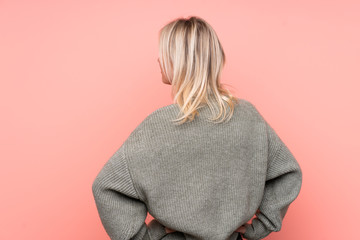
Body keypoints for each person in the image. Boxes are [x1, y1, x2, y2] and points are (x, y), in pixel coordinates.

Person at [92, 16, 303, 240]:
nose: (157, 59)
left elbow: (105, 186)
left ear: (178, 60)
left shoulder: (157, 126)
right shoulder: (249, 118)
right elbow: (288, 173)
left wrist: (148, 236)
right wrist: (261, 226)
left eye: (163, 53)